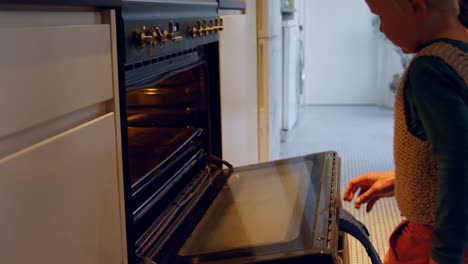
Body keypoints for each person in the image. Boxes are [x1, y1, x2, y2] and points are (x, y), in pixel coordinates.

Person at [343, 0, 468, 263]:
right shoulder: (462, 54)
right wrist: (406, 178)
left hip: (435, 239)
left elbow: (458, 167)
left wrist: (444, 256)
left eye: (381, 17)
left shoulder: (431, 69)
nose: (381, 29)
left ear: (415, 7)